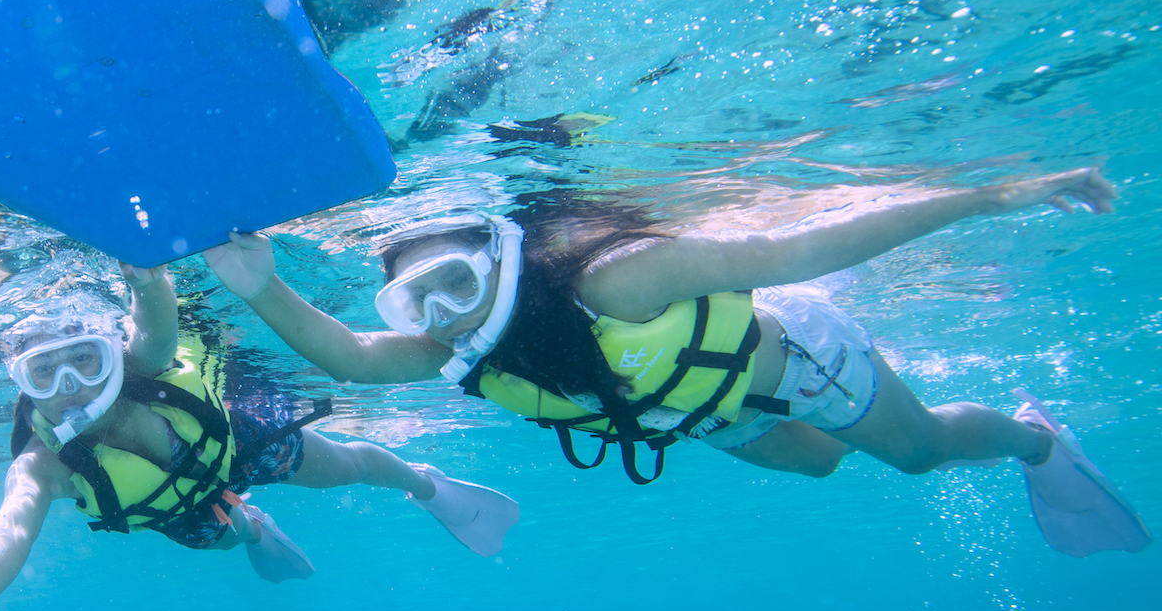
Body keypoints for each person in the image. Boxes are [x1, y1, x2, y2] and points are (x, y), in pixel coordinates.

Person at [202, 168, 1150, 556]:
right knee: (820, 463)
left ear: (503, 257)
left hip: (794, 360)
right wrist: (256, 286)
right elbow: (354, 362)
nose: (445, 315)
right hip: (706, 411)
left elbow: (807, 246)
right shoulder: (458, 353)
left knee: (917, 452)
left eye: (456, 282)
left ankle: (1034, 440)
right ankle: (936, 436)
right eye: (419, 304)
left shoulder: (617, 283)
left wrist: (986, 198)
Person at [0, 262, 521, 611]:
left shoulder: (148, 358)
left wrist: (143, 274)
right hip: (176, 505)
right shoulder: (42, 464)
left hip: (235, 436)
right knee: (221, 541)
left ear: (111, 351)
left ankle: (427, 488)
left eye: (84, 360)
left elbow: (157, 315)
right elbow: (9, 528)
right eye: (42, 374)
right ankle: (251, 526)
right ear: (21, 381)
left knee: (346, 470)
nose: (70, 390)